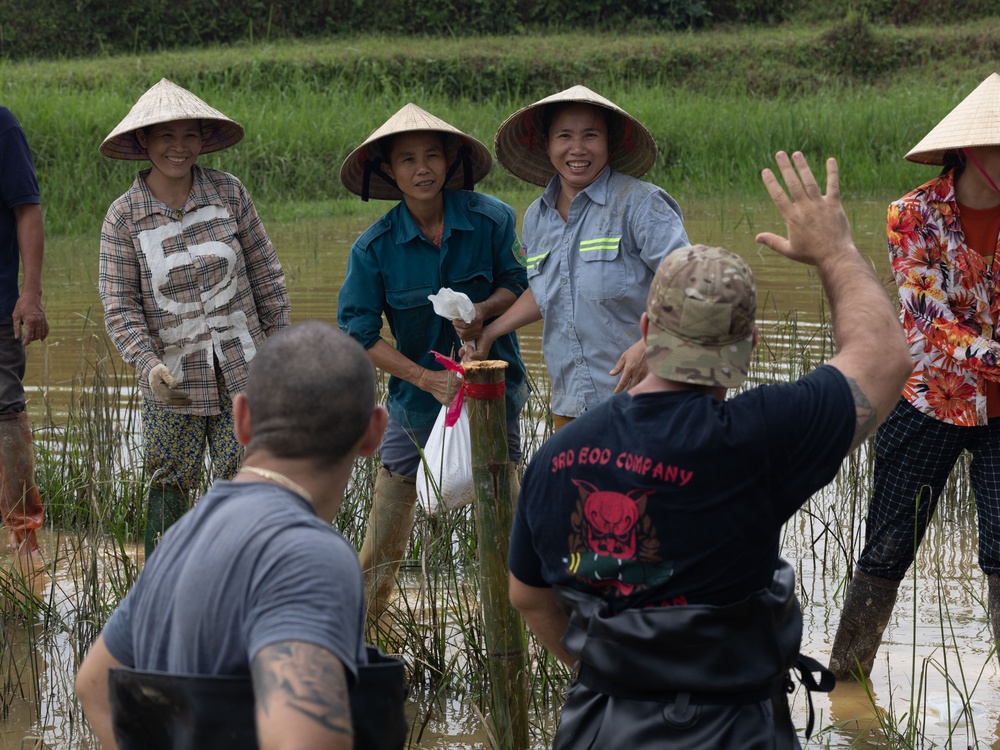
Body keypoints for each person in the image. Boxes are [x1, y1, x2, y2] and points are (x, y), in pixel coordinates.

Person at [507, 151, 912, 748]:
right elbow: (883, 357)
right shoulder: (758, 436)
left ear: (646, 332)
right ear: (747, 346)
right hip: (734, 729)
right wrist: (834, 250)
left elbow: (527, 596)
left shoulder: (557, 456)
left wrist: (613, 675)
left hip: (602, 725)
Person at [74, 321, 390, 750]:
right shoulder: (309, 554)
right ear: (375, 431)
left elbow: (94, 686)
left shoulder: (180, 538)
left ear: (242, 419)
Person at [829, 72, 1000, 680]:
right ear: (976, 153)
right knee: (887, 548)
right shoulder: (914, 214)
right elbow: (928, 318)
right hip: (929, 400)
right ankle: (846, 688)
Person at [337, 103, 528, 619]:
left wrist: (482, 317)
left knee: (508, 526)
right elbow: (357, 334)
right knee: (384, 532)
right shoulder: (374, 248)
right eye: (406, 160)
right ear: (388, 171)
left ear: (448, 162)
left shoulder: (491, 219)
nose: (421, 169)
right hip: (416, 406)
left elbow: (519, 282)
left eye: (431, 157)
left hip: (494, 392)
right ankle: (356, 633)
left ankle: (517, 631)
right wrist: (426, 379)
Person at [98, 78, 290, 557]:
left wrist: (283, 345)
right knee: (169, 489)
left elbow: (266, 273)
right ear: (144, 142)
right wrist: (148, 365)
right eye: (165, 136)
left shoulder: (229, 193)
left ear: (204, 139)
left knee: (248, 481)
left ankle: (243, 584)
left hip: (246, 370)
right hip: (173, 381)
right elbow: (120, 308)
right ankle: (164, 592)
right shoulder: (123, 218)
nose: (178, 148)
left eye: (189, 136)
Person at [469, 85, 689, 430]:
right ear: (547, 145)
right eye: (564, 136)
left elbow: (689, 284)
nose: (577, 149)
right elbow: (548, 289)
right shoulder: (537, 217)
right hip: (570, 402)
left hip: (645, 398)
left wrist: (653, 342)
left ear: (609, 144)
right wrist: (490, 331)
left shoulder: (640, 203)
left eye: (591, 135)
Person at [0, 105, 49, 559]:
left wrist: (30, 294)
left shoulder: (3, 125)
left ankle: (25, 540)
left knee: (5, 413)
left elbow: (27, 212)